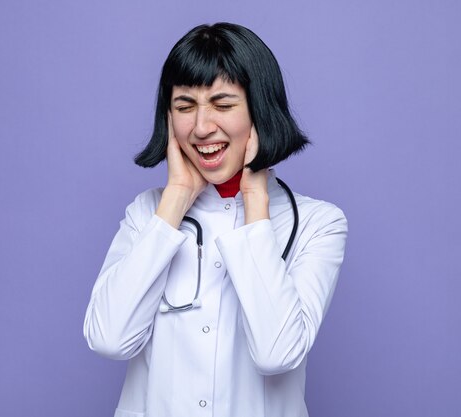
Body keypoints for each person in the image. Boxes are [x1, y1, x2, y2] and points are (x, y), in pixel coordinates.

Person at [83, 22, 348, 417]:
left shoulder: (318, 224)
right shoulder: (147, 215)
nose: (202, 127)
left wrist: (254, 200)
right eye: (185, 106)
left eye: (223, 105)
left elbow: (277, 354)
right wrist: (175, 199)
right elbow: (108, 339)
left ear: (260, 110)